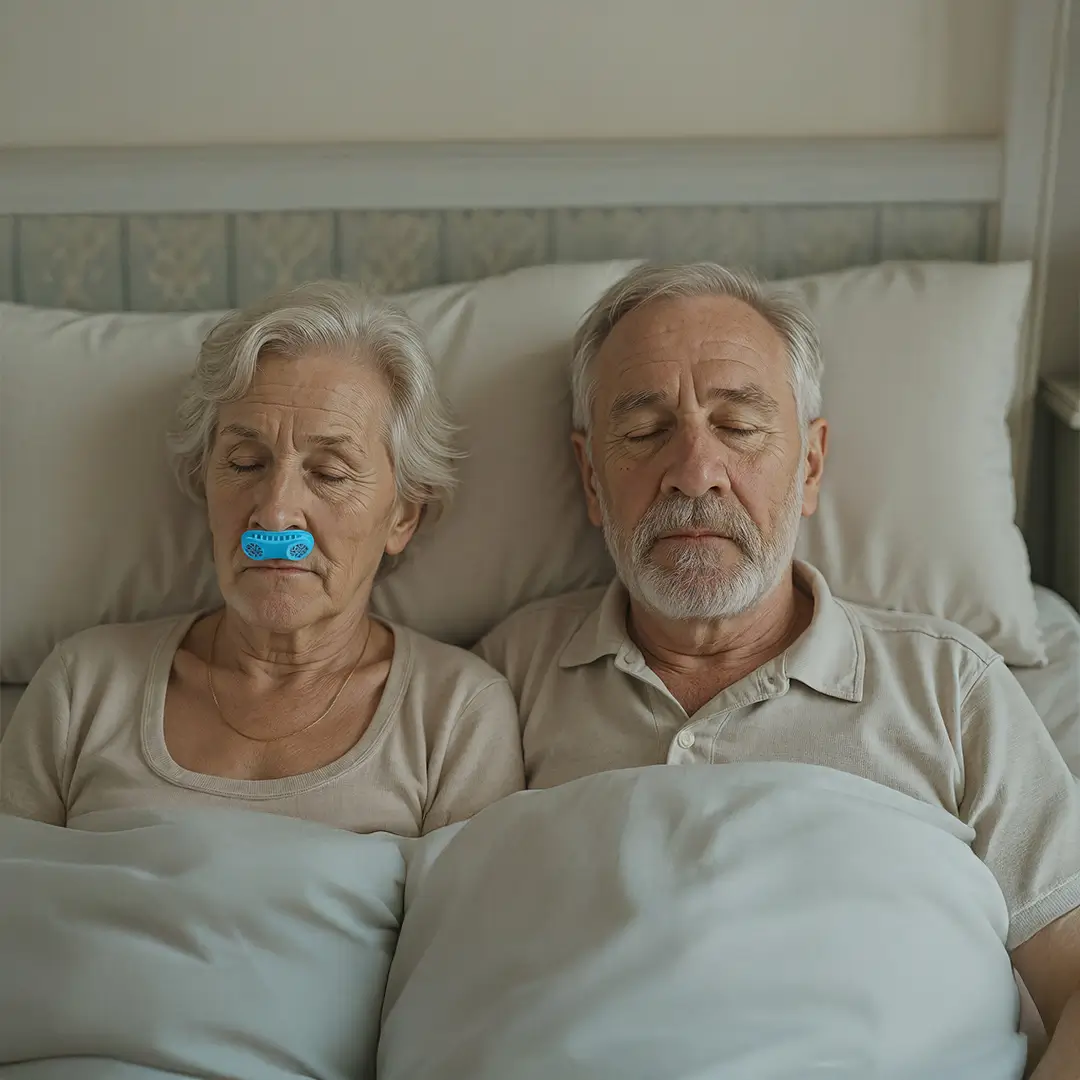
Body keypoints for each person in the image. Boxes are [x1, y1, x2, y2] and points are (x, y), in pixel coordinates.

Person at [477, 263, 1080, 1075]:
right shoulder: (505, 680)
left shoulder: (952, 689)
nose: (695, 471)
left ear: (811, 465)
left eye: (739, 425)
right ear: (592, 477)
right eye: (647, 431)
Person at [2, 281, 524, 836]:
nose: (275, 514)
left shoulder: (456, 714)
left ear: (402, 517)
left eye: (330, 474)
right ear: (205, 486)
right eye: (246, 463)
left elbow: (468, 921)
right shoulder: (83, 686)